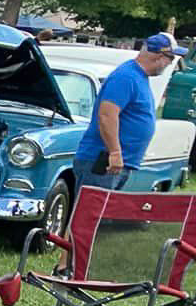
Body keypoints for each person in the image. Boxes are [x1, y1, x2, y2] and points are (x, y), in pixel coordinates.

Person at [75, 31, 186, 189]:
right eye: (171, 58)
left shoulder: (139, 77)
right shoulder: (126, 77)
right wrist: (115, 152)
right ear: (159, 56)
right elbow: (106, 115)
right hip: (102, 161)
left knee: (107, 205)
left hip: (116, 163)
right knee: (95, 205)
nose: (170, 63)